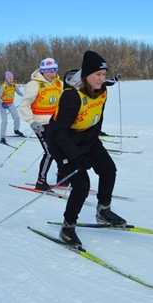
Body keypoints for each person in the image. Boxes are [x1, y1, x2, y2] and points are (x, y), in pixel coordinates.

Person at [47, 50, 126, 248]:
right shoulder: (72, 96)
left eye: (104, 74)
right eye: (97, 75)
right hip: (62, 143)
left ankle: (103, 211)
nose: (101, 79)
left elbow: (97, 118)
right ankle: (67, 227)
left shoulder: (103, 91)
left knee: (108, 169)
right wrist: (77, 157)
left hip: (87, 138)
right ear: (86, 75)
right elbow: (59, 133)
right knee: (82, 184)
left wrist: (93, 144)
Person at [19, 58, 63, 191]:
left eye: (54, 70)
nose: (52, 74)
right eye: (49, 71)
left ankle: (62, 177)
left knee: (62, 149)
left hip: (56, 122)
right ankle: (41, 180)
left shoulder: (59, 83)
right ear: (42, 72)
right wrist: (32, 122)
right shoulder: (34, 85)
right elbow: (24, 105)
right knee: (50, 152)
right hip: (40, 124)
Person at [0, 71, 24, 143]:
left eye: (12, 79)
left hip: (11, 104)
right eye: (10, 79)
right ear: (6, 79)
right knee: (5, 121)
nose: (11, 80)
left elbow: (19, 93)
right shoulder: (3, 87)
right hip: (3, 105)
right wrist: (2, 103)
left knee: (17, 117)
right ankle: (2, 137)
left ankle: (16, 130)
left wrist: (25, 96)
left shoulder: (14, 85)